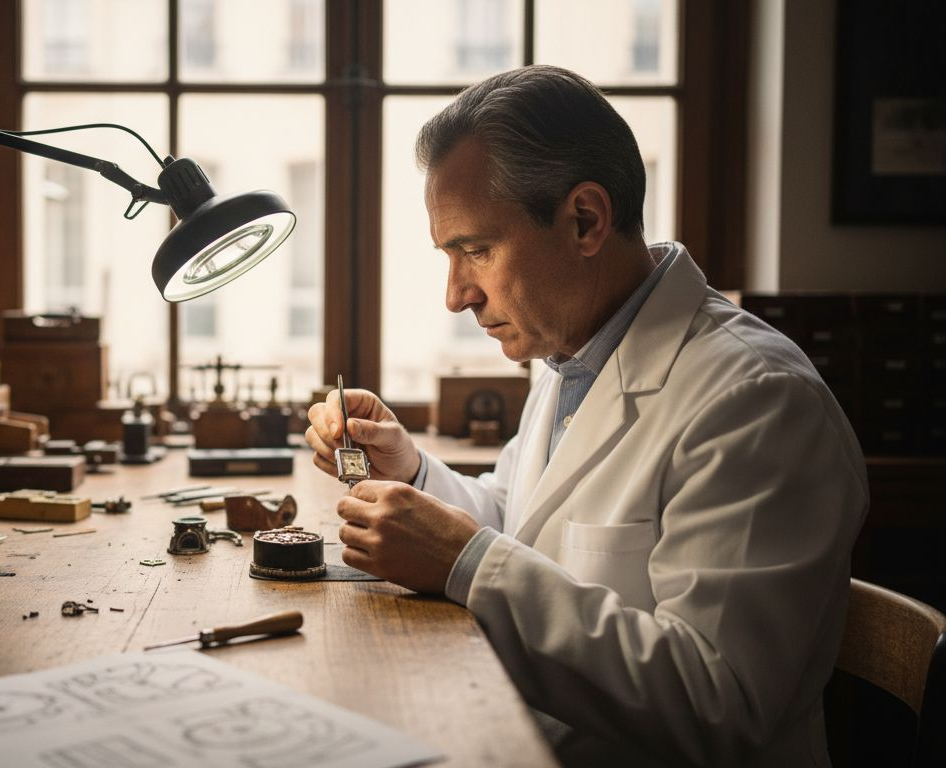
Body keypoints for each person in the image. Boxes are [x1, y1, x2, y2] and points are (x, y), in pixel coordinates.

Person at [305, 65, 866, 767]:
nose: (456, 296)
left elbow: (720, 704)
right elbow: (521, 523)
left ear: (585, 220)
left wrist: (464, 565)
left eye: (476, 250)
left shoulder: (758, 402)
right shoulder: (575, 352)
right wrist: (411, 471)